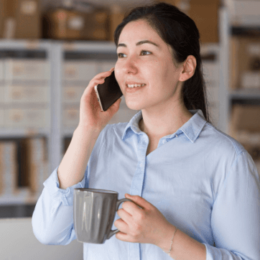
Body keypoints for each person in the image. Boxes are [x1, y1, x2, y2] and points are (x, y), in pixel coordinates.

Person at [32, 2, 260, 260]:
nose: (127, 67)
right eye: (121, 54)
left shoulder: (227, 160)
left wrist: (166, 237)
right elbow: (49, 230)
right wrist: (87, 128)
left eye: (145, 53)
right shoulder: (101, 141)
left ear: (185, 68)